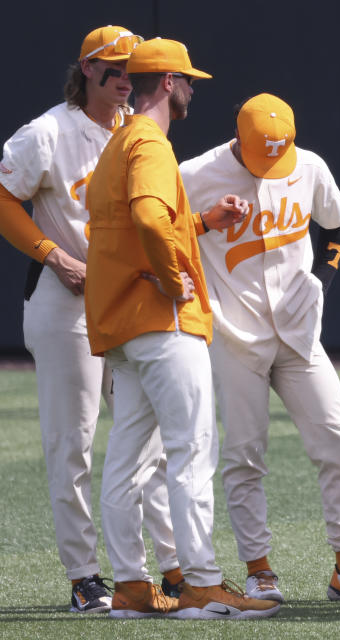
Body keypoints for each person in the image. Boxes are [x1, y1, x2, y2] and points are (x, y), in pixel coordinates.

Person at [84, 37, 279, 620]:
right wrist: (172, 277)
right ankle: (200, 583)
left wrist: (200, 223)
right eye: (188, 79)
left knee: (127, 460)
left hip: (123, 322)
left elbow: (134, 225)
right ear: (167, 82)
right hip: (160, 320)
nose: (193, 87)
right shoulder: (150, 141)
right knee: (193, 450)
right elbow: (146, 216)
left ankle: (131, 587)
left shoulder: (119, 141)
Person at [0, 25, 182, 614]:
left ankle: (172, 566)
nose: (125, 74)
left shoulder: (137, 129)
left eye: (132, 65)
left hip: (127, 298)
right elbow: (3, 195)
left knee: (146, 437)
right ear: (86, 69)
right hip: (65, 303)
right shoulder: (48, 131)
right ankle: (85, 577)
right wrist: (52, 254)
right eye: (112, 66)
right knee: (72, 442)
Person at [179, 93, 340, 605]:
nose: (270, 164)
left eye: (277, 152)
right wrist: (201, 226)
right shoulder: (196, 174)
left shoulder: (307, 165)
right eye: (260, 153)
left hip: (299, 330)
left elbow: (336, 223)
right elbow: (162, 230)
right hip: (233, 332)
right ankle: (259, 569)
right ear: (237, 137)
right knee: (245, 454)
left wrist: (322, 280)